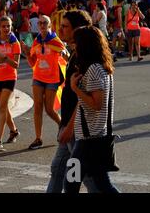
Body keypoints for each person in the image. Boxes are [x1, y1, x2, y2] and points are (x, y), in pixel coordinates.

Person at [64, 26, 120, 193]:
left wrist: (76, 89)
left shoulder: (94, 69)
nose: (73, 46)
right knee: (102, 184)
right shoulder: (100, 67)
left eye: (76, 42)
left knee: (70, 183)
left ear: (85, 44)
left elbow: (97, 104)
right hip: (93, 138)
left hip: (89, 140)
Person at [46, 10, 98, 193]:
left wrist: (68, 129)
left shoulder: (83, 58)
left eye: (65, 27)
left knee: (90, 179)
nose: (61, 30)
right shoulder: (75, 54)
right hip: (69, 127)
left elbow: (83, 99)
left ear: (78, 30)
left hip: (77, 131)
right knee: (58, 171)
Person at [21, 15, 65, 150]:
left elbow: (64, 54)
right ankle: (38, 138)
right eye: (40, 23)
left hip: (52, 78)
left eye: (45, 23)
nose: (42, 25)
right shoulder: (36, 41)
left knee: (50, 109)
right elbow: (33, 62)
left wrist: (64, 53)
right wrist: (27, 53)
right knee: (38, 107)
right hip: (38, 77)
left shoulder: (55, 40)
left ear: (50, 25)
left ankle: (63, 126)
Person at [0, 16, 20, 150]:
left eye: (8, 26)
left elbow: (16, 65)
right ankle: (14, 130)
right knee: (4, 108)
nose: (6, 28)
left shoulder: (15, 43)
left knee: (2, 107)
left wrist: (6, 58)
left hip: (10, 78)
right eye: (3, 26)